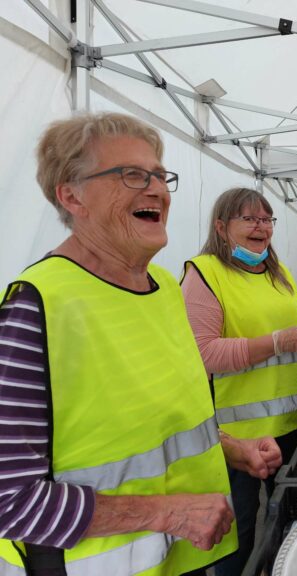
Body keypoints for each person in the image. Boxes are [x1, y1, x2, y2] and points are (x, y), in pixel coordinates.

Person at [0, 113, 282, 575]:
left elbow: (162, 425)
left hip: (184, 556)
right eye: (131, 175)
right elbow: (10, 501)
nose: (156, 189)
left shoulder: (164, 289)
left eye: (158, 175)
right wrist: (165, 512)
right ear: (72, 196)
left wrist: (232, 446)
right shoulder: (37, 308)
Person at [181, 187, 297, 576]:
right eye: (250, 219)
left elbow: (296, 326)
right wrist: (276, 342)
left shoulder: (279, 273)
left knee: (290, 524)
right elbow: (203, 354)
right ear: (222, 227)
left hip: (291, 426)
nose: (261, 228)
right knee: (238, 532)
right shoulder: (205, 273)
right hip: (235, 435)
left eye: (266, 220)